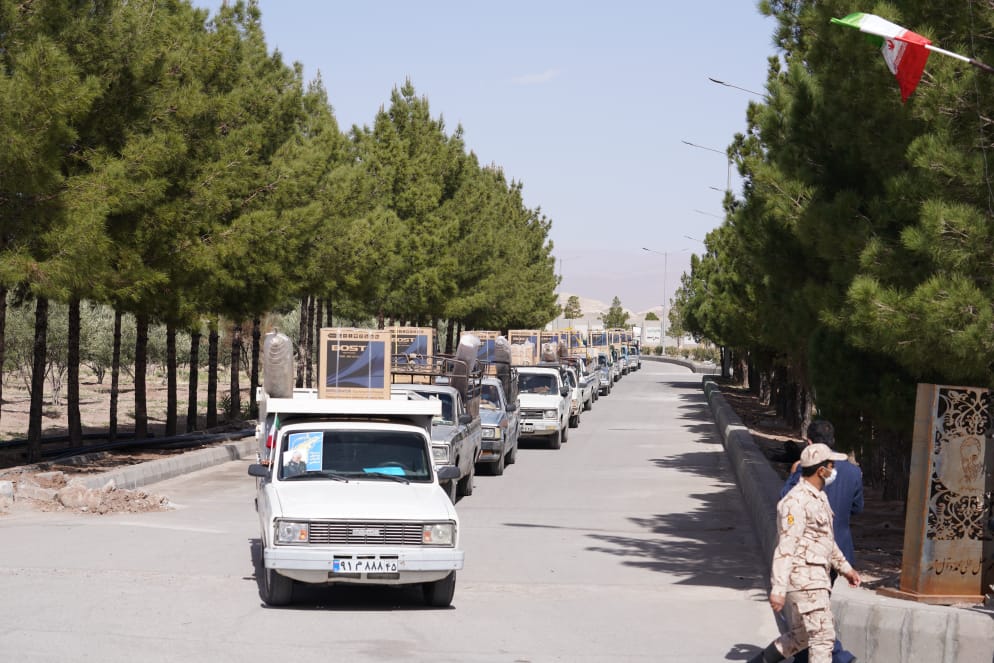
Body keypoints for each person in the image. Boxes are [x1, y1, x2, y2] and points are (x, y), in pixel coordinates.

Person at [748, 443, 862, 663]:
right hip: (805, 581)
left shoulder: (819, 497)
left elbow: (827, 541)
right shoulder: (795, 502)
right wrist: (778, 588)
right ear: (821, 470)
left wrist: (846, 569)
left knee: (800, 638)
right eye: (831, 465)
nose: (834, 470)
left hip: (815, 578)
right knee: (823, 638)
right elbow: (785, 546)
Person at [780, 422, 863, 663]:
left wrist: (794, 471)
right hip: (840, 550)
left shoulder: (805, 470)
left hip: (809, 554)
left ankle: (840, 657)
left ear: (809, 443)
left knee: (813, 616)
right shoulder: (853, 471)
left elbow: (785, 501)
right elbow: (857, 507)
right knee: (816, 612)